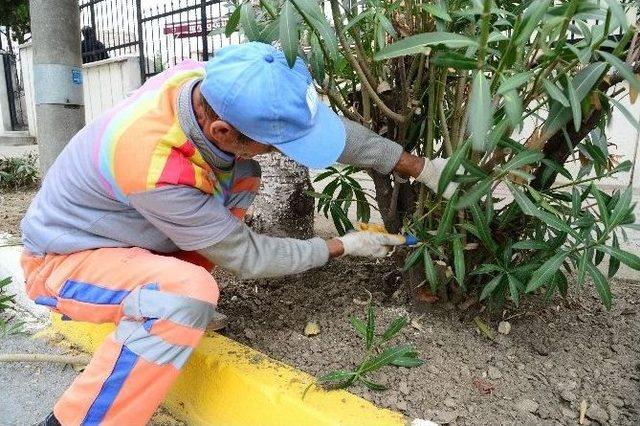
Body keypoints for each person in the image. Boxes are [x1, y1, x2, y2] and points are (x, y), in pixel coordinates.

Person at [22, 42, 457, 426]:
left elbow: (326, 136)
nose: (285, 154)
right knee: (185, 297)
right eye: (278, 145)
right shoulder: (153, 166)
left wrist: (421, 168)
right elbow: (248, 256)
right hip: (63, 260)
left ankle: (164, 288)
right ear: (223, 133)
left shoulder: (214, 86)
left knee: (242, 175)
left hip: (129, 238)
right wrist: (342, 245)